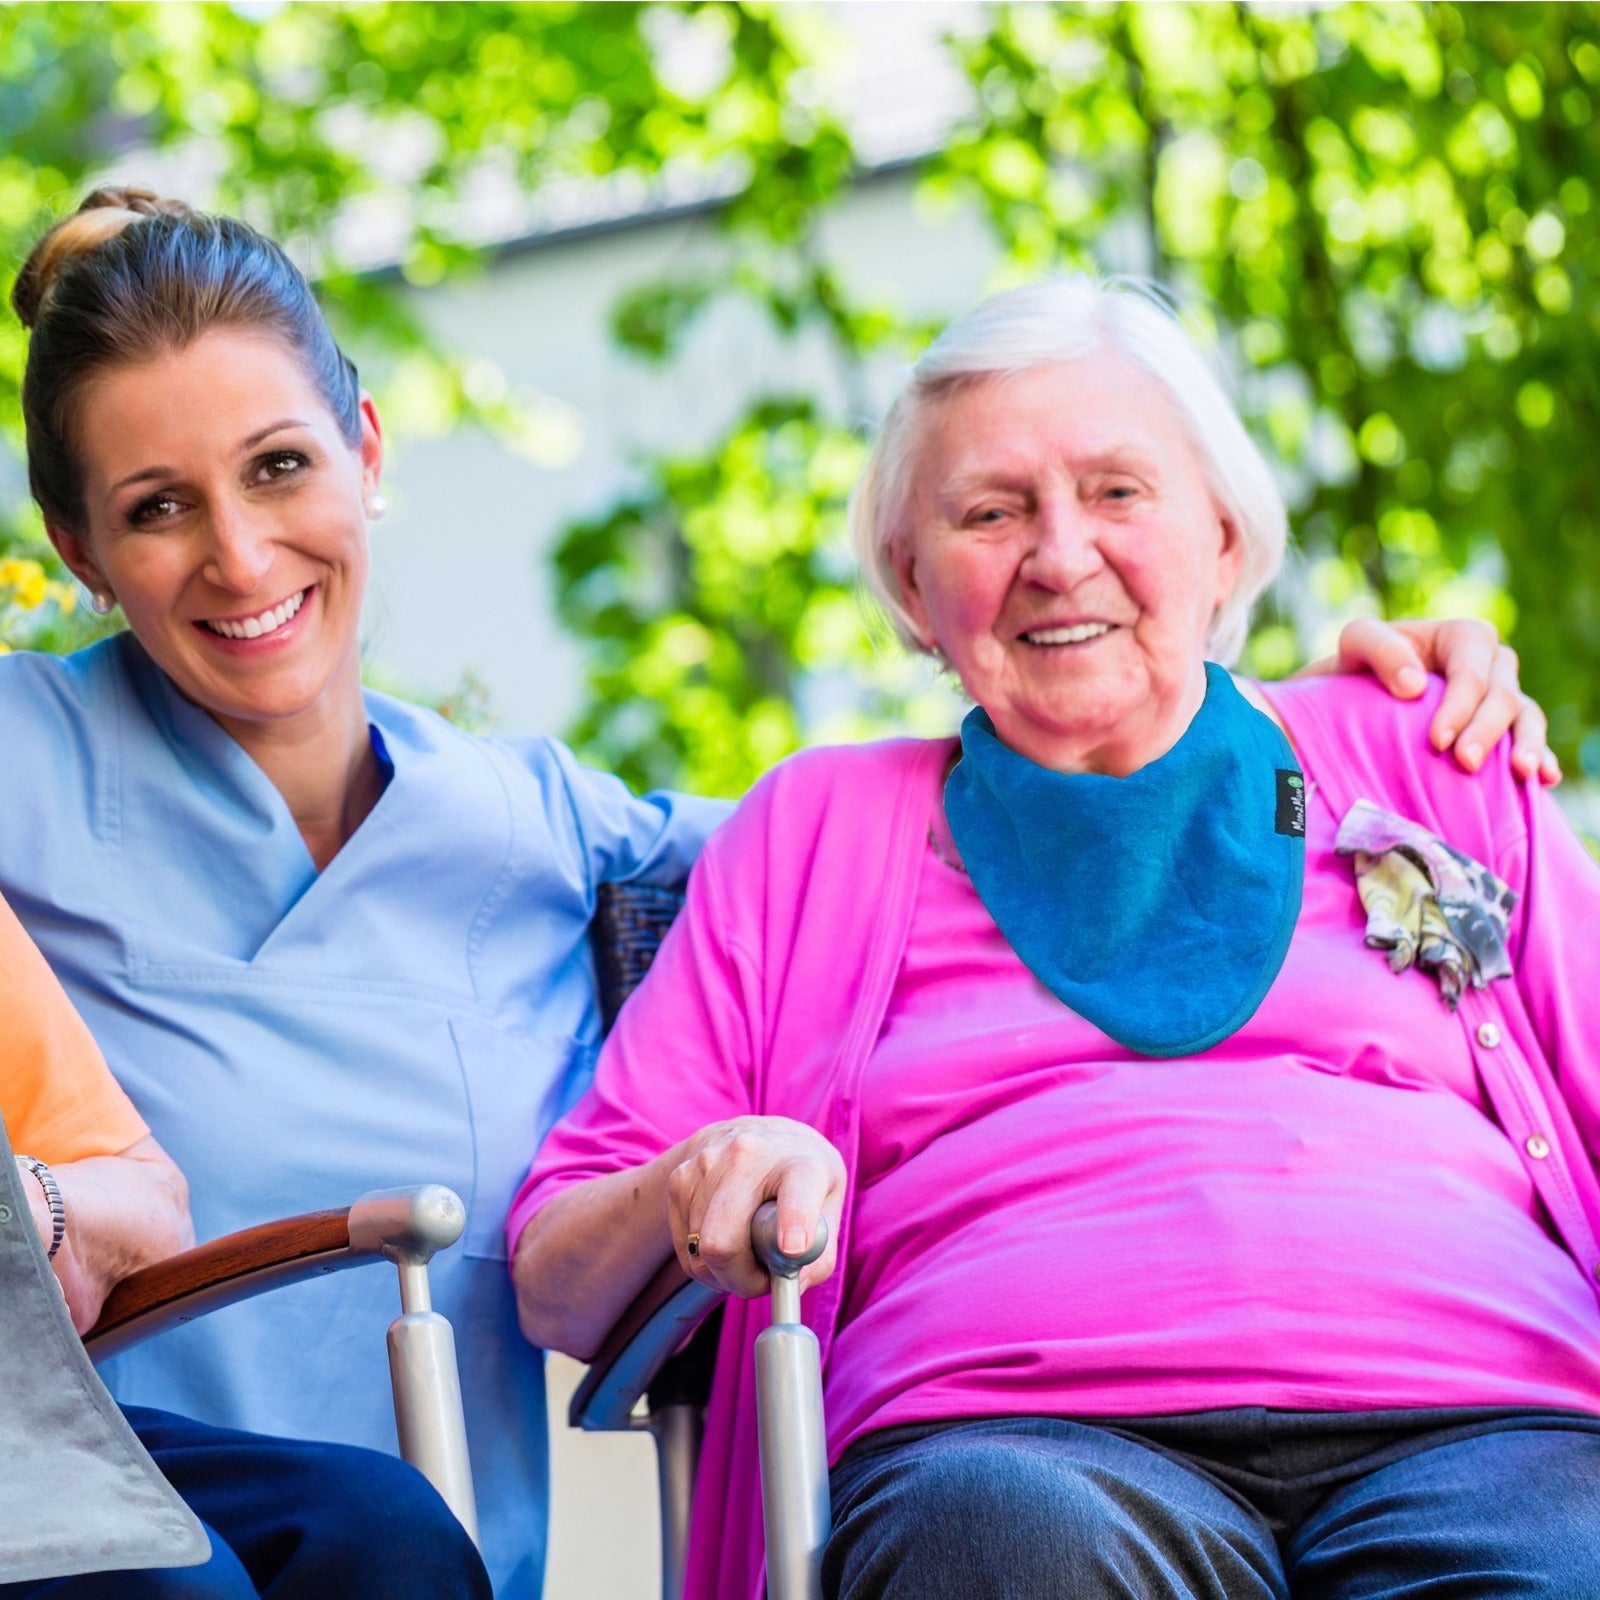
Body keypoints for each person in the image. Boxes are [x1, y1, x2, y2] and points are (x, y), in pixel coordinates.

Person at [0, 191, 1540, 1598]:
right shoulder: (28, 755)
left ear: (369, 455)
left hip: (394, 1550)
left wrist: (1344, 719)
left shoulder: (554, 831)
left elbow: (1027, 797)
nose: (240, 551)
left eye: (279, 466)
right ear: (78, 551)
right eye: (156, 508)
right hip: (106, 1510)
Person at [511, 276, 1600, 1600]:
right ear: (914, 586)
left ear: (1224, 537)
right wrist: (707, 1171)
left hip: (1498, 1424)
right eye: (991, 512)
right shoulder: (813, 831)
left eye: (1117, 492)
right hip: (1011, 1453)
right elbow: (559, 1280)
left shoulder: (1435, 756)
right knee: (1004, 1552)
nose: (1059, 553)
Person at [0, 888, 491, 1600]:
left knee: (387, 1529)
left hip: (23, 1421)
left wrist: (34, 1204)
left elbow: (155, 1216)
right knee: (169, 1582)